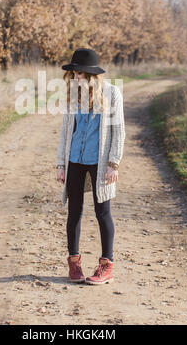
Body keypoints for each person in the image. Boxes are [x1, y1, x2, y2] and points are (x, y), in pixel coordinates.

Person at [56, 48, 126, 285]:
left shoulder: (112, 93)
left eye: (80, 74)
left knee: (102, 213)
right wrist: (60, 164)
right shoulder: (73, 95)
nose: (76, 78)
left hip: (99, 162)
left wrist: (113, 163)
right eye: (74, 74)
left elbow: (119, 131)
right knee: (74, 211)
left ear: (92, 75)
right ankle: (74, 264)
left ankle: (106, 266)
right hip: (75, 159)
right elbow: (66, 131)